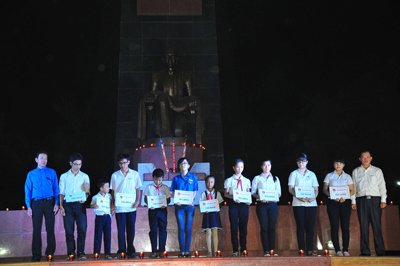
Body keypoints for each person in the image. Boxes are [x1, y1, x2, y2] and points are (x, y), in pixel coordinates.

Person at [24, 151, 59, 262]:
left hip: (50, 203)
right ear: (36, 160)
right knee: (36, 230)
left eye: (46, 158)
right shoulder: (31, 174)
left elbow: (56, 189)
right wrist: (29, 206)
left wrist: (57, 203)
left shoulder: (52, 172)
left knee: (50, 229)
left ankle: (50, 254)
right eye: (42, 158)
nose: (44, 160)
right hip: (36, 204)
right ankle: (36, 256)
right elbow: (28, 191)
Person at [352, 151, 386, 256]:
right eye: (363, 157)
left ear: (371, 158)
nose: (365, 159)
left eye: (367, 157)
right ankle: (365, 251)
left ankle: (380, 251)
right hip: (361, 200)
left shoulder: (377, 170)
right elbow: (353, 187)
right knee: (363, 226)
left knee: (376, 226)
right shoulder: (356, 171)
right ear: (360, 159)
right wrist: (353, 201)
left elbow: (382, 186)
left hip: (375, 200)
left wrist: (383, 200)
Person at [110, 153, 142, 259]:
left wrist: (138, 201)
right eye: (120, 163)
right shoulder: (115, 175)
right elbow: (113, 191)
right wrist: (112, 204)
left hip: (131, 206)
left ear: (128, 162)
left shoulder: (135, 174)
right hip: (119, 207)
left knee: (131, 229)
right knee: (120, 229)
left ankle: (131, 251)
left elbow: (138, 189)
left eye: (124, 162)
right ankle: (121, 251)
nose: (122, 165)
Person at [59, 152, 90, 260]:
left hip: (80, 205)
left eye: (80, 164)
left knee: (82, 229)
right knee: (69, 230)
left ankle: (81, 252)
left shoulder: (84, 176)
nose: (78, 166)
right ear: (70, 163)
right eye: (76, 164)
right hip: (67, 205)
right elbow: (61, 193)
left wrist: (85, 198)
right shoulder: (64, 176)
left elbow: (87, 191)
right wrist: (61, 206)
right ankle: (70, 253)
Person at [288, 153, 319, 256]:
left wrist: (314, 197)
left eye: (303, 161)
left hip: (311, 204)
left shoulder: (312, 174)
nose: (301, 163)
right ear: (297, 163)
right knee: (300, 226)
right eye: (299, 162)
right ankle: (301, 249)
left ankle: (310, 249)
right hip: (298, 203)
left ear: (307, 162)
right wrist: (298, 196)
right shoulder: (294, 174)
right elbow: (290, 188)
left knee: (310, 227)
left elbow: (316, 189)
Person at [323, 157, 355, 257]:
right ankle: (337, 250)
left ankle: (345, 249)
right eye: (336, 163)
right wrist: (332, 196)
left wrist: (346, 197)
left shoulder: (347, 176)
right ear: (333, 165)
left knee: (345, 226)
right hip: (333, 203)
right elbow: (324, 189)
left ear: (343, 165)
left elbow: (352, 190)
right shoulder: (329, 175)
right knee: (334, 226)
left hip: (345, 203)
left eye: (340, 163)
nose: (338, 165)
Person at [251, 159, 281, 257]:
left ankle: (272, 249)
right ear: (261, 166)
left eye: (268, 165)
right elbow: (253, 193)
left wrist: (276, 197)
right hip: (261, 205)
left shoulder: (275, 178)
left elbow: (279, 193)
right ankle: (266, 250)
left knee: (272, 227)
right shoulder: (257, 178)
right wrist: (260, 197)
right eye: (264, 165)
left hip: (272, 205)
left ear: (271, 166)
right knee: (264, 227)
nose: (266, 167)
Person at [170, 157, 198, 258]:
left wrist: (192, 199)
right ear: (179, 166)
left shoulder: (194, 178)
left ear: (189, 165)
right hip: (179, 206)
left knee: (188, 228)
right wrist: (175, 199)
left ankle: (187, 251)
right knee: (181, 228)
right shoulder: (176, 178)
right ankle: (182, 251)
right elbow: (173, 191)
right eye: (181, 163)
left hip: (190, 206)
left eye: (185, 163)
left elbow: (195, 191)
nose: (183, 165)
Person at [224, 159, 251, 257]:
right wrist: (234, 198)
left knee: (243, 228)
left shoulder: (247, 180)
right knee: (234, 227)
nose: (240, 169)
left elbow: (248, 193)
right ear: (233, 168)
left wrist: (248, 200)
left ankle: (243, 249)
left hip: (244, 205)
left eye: (242, 167)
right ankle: (235, 250)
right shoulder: (229, 180)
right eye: (238, 167)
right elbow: (226, 194)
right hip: (234, 205)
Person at [143, 168, 171, 258]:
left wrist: (165, 204)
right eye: (156, 179)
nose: (158, 182)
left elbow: (168, 199)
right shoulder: (149, 187)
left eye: (159, 180)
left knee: (163, 229)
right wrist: (149, 204)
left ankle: (162, 250)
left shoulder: (165, 188)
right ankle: (154, 251)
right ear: (153, 178)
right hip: (153, 210)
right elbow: (145, 199)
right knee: (153, 230)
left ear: (162, 178)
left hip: (162, 210)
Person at [200, 175, 224, 257]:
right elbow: (201, 204)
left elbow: (220, 203)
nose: (210, 184)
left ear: (214, 183)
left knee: (215, 232)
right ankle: (209, 251)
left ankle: (216, 251)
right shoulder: (203, 194)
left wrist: (218, 207)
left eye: (211, 182)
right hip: (207, 215)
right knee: (208, 232)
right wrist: (204, 209)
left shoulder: (217, 193)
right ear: (206, 183)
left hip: (214, 214)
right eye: (208, 182)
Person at [90, 179, 113, 260]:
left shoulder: (110, 196)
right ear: (101, 188)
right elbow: (91, 205)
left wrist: (112, 212)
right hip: (99, 217)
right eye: (107, 186)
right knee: (98, 236)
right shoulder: (95, 197)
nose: (108, 188)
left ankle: (107, 254)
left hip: (107, 217)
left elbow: (112, 206)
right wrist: (94, 206)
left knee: (108, 236)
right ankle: (97, 254)